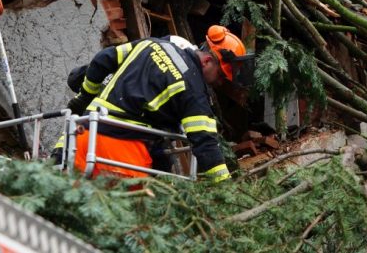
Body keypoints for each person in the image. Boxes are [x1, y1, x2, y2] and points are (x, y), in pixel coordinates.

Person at [57, 25, 249, 182]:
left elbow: (102, 60)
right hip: (120, 158)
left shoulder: (150, 44)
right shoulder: (194, 90)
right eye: (221, 76)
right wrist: (227, 190)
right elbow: (206, 144)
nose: (220, 83)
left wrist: (84, 97)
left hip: (79, 140)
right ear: (207, 61)